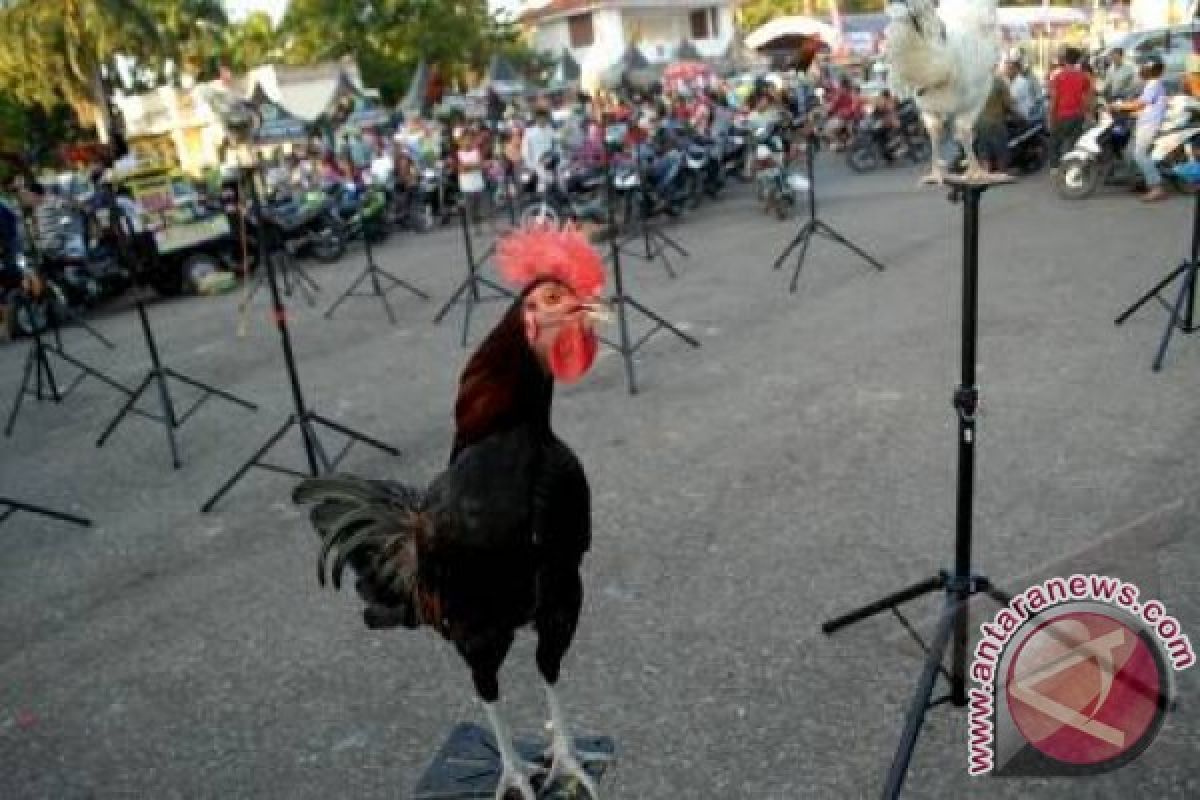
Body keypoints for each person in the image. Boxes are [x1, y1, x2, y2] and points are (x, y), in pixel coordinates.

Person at [1113, 54, 1169, 203]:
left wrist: (1120, 105)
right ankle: (1141, 181)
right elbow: (1147, 106)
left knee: (1139, 155)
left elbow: (1141, 104)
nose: (1140, 69)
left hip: (1149, 125)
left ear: (1148, 69)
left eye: (1142, 67)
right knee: (1129, 153)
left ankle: (1156, 187)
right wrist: (1129, 111)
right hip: (1144, 122)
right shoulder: (1152, 84)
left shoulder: (1153, 84)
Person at [1047, 47, 1093, 170]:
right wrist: (1088, 114)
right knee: (1074, 143)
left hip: (1061, 115)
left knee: (1054, 142)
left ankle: (1055, 168)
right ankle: (1073, 168)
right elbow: (1087, 98)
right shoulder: (1083, 77)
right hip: (1078, 115)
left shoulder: (1058, 77)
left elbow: (1054, 99)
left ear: (1065, 59)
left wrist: (1050, 117)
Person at [975, 74, 1017, 174]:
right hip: (995, 121)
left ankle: (986, 173)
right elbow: (1008, 103)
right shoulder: (998, 82)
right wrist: (1019, 115)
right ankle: (1001, 173)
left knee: (984, 149)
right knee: (1001, 149)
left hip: (980, 122)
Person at [521, 108, 556, 190]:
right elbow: (525, 150)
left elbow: (557, 142)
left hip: (552, 160)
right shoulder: (530, 132)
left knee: (556, 181)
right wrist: (530, 164)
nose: (543, 120)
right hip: (538, 163)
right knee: (543, 186)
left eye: (545, 118)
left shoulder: (550, 129)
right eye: (541, 118)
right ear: (536, 119)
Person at [1002, 51, 1039, 119]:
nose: (1006, 71)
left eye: (1010, 69)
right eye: (1006, 68)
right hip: (1012, 115)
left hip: (1021, 116)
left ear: (1016, 69)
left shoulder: (1022, 82)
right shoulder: (1007, 81)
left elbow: (1011, 101)